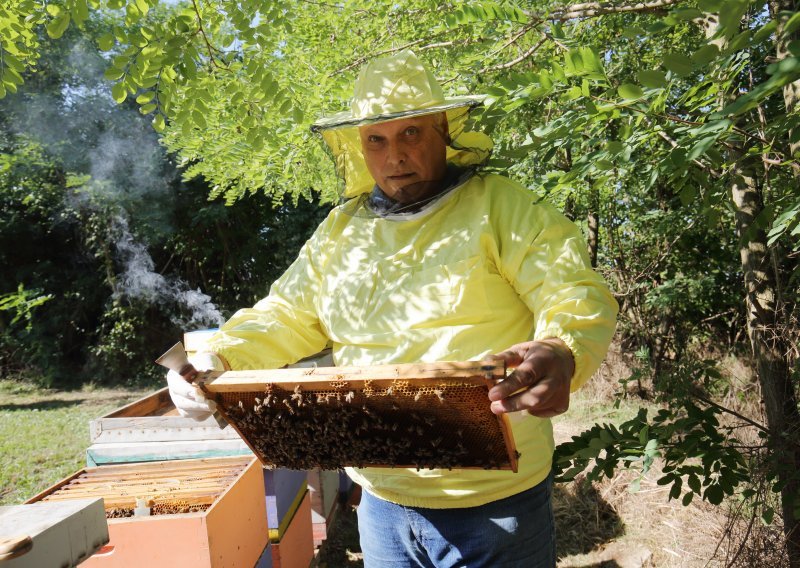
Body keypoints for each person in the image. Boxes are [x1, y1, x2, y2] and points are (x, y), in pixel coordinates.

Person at [168, 50, 618, 567]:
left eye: (411, 133)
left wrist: (563, 349)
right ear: (359, 149)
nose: (394, 156)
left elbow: (572, 290)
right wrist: (218, 356)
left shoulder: (503, 207)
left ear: (443, 130)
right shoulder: (340, 232)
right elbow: (287, 313)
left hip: (498, 504)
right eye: (376, 140)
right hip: (381, 504)